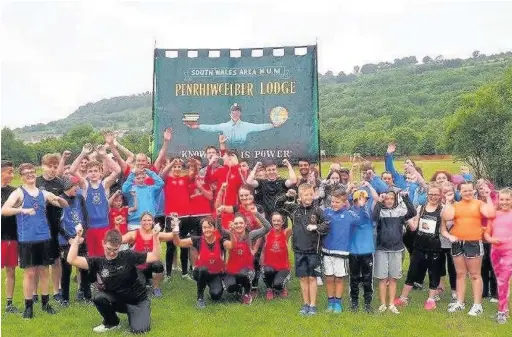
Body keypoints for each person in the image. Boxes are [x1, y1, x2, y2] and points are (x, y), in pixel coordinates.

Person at [1, 163, 69, 319]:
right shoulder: (18, 192)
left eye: (32, 172)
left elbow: (61, 203)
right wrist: (22, 210)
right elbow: (4, 210)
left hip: (44, 236)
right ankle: (28, 306)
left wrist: (60, 199)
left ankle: (46, 303)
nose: (30, 175)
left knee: (44, 271)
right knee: (30, 273)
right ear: (22, 176)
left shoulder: (42, 193)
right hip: (27, 239)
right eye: (26, 173)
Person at [67, 227, 161, 334]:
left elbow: (155, 256)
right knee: (99, 298)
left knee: (140, 330)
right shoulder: (98, 262)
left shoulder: (128, 256)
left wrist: (155, 236)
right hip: (118, 300)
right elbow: (71, 259)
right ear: (103, 243)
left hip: (137, 300)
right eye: (109, 249)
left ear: (120, 246)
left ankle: (135, 314)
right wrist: (78, 237)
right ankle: (112, 322)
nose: (111, 253)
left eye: (115, 250)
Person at [442, 181, 496, 316]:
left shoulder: (479, 204)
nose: (467, 193)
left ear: (474, 191)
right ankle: (460, 302)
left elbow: (490, 213)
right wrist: (448, 201)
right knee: (460, 274)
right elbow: (447, 216)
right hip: (457, 242)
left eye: (470, 190)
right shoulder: (455, 205)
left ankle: (477, 305)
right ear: (459, 192)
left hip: (473, 242)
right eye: (464, 191)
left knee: (475, 275)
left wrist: (488, 196)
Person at [276, 183, 329, 316]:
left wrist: (317, 227)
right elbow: (277, 206)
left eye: (311, 194)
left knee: (312, 278)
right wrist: (286, 195)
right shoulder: (294, 209)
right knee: (303, 278)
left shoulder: (317, 210)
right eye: (306, 194)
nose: (309, 197)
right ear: (300, 196)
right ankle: (305, 304)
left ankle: (313, 305)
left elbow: (327, 224)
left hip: (313, 251)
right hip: (299, 250)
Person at [395, 183, 444, 311]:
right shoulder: (421, 207)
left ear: (440, 196)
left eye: (436, 194)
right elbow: (414, 227)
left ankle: (431, 299)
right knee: (413, 271)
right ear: (427, 195)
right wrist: (405, 217)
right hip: (419, 246)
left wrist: (450, 236)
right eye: (431, 194)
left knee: (433, 272)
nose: (433, 197)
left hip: (434, 247)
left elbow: (444, 229)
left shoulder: (443, 209)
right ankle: (403, 298)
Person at [72, 144, 121, 257]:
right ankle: (94, 275)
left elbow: (118, 170)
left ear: (100, 172)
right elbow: (73, 170)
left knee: (106, 255)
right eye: (90, 171)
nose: (93, 173)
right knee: (93, 257)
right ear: (87, 173)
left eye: (95, 171)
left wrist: (104, 156)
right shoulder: (85, 185)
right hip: (90, 228)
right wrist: (83, 153)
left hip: (104, 226)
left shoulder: (104, 185)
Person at [372, 190, 416, 314]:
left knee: (393, 278)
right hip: (381, 249)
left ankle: (391, 303)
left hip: (397, 249)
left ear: (395, 200)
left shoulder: (399, 213)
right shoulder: (380, 211)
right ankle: (382, 304)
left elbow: (412, 212)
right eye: (387, 199)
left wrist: (406, 197)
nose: (389, 201)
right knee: (382, 278)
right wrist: (379, 202)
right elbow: (373, 218)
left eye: (392, 198)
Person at [322, 190, 363, 313]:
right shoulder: (326, 212)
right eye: (332, 201)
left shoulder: (349, 215)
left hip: (342, 253)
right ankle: (330, 302)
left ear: (344, 203)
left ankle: (338, 303)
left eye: (337, 202)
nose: (334, 204)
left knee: (339, 278)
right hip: (326, 251)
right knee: (329, 278)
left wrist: (357, 204)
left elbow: (361, 221)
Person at [172, 216, 226, 308]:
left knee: (216, 296)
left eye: (209, 227)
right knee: (204, 269)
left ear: (214, 228)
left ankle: (212, 284)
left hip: (215, 273)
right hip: (200, 271)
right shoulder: (197, 240)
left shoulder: (220, 240)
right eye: (204, 228)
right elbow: (178, 243)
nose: (207, 230)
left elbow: (232, 245)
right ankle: (200, 297)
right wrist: (175, 230)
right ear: (202, 229)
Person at [219, 210, 271, 304]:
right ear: (233, 225)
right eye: (236, 223)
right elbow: (219, 229)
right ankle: (239, 289)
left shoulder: (250, 235)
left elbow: (268, 227)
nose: (239, 225)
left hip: (247, 270)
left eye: (241, 223)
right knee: (229, 288)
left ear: (245, 224)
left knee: (242, 274)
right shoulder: (229, 234)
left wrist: (256, 213)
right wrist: (218, 217)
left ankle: (247, 293)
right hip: (232, 270)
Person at [121, 212, 174, 298]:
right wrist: (116, 226)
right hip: (137, 268)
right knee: (138, 290)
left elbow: (173, 236)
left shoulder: (156, 234)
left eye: (149, 220)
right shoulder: (134, 234)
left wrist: (175, 225)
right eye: (144, 220)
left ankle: (156, 288)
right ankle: (144, 281)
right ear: (140, 222)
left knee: (158, 265)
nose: (147, 222)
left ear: (153, 222)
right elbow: (119, 240)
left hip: (150, 266)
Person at [35, 153, 65, 303]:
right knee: (38, 261)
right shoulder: (35, 182)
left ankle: (56, 290)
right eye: (49, 166)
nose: (52, 169)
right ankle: (35, 292)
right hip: (38, 227)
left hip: (55, 226)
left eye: (55, 166)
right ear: (42, 166)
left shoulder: (60, 183)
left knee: (56, 260)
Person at [183, 103, 287, 146]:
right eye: (233, 111)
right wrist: (197, 126)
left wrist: (273, 125)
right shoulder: (224, 126)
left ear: (240, 113)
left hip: (243, 151)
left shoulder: (246, 125)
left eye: (237, 111)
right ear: (230, 113)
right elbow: (211, 128)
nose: (235, 113)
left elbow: (259, 127)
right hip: (228, 152)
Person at [58, 176, 91, 306]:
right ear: (67, 187)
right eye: (74, 186)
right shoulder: (59, 200)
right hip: (66, 241)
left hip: (81, 238)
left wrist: (83, 235)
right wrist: (69, 238)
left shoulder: (79, 198)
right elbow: (56, 223)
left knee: (85, 268)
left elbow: (86, 218)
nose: (77, 188)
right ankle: (65, 298)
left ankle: (87, 295)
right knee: (66, 269)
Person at [160, 158, 194, 280]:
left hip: (185, 217)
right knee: (170, 246)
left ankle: (185, 273)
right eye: (175, 167)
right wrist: (170, 163)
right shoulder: (167, 179)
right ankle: (168, 274)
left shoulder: (185, 179)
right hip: (171, 217)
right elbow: (163, 174)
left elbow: (193, 173)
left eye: (179, 166)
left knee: (184, 245)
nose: (177, 169)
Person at [484, 188, 512, 324]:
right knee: (502, 281)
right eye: (502, 199)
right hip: (495, 251)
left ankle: (501, 312)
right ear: (498, 200)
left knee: (503, 281)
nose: (504, 202)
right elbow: (487, 233)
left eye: (507, 199)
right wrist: (490, 240)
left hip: (509, 252)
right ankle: (505, 309)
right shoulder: (494, 214)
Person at [348, 189, 375, 313]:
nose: (363, 201)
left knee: (367, 278)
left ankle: (368, 302)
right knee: (354, 278)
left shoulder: (368, 211)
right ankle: (354, 301)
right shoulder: (351, 212)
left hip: (367, 251)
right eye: (359, 199)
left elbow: (365, 217)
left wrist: (363, 206)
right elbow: (355, 220)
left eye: (365, 199)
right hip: (353, 251)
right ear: (354, 201)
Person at [475, 179, 498, 303]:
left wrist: (488, 197)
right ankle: (484, 291)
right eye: (480, 189)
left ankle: (495, 293)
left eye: (485, 187)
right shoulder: (476, 202)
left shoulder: (496, 199)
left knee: (494, 265)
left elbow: (492, 213)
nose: (483, 190)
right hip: (481, 237)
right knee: (483, 265)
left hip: (494, 237)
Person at [1, 160, 19, 313]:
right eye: (10, 172)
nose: (12, 175)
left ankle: (9, 304)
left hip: (11, 237)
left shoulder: (14, 192)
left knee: (10, 271)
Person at [262, 212, 292, 301]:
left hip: (283, 267)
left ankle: (281, 287)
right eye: (274, 221)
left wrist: (290, 211)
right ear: (271, 222)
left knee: (278, 285)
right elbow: (261, 222)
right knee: (267, 270)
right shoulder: (267, 233)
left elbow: (296, 224)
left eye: (279, 221)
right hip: (270, 266)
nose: (276, 223)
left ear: (283, 222)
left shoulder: (286, 232)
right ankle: (269, 289)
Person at [438, 181, 457, 301]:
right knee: (439, 266)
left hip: (453, 241)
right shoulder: (436, 205)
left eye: (449, 193)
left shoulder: (458, 205)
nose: (446, 195)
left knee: (453, 267)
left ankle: (454, 289)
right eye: (444, 192)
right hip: (439, 241)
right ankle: (439, 287)